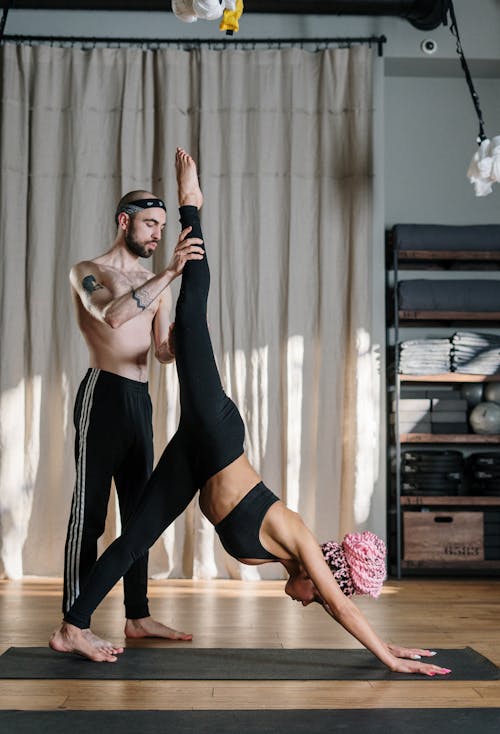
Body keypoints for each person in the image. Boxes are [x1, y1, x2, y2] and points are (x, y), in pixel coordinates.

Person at [51, 149, 451, 677]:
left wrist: (389, 645)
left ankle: (72, 626)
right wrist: (389, 657)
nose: (309, 602)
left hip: (194, 456)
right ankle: (194, 203)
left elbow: (337, 605)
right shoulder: (301, 538)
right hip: (214, 432)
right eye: (317, 594)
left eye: (165, 222)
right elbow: (343, 604)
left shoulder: (299, 562)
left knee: (134, 538)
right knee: (194, 306)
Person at [62, 182, 205, 653]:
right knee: (90, 515)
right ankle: (72, 625)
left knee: (140, 514)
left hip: (139, 402)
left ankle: (137, 616)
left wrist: (184, 337)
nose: (157, 235)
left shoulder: (155, 283)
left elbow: (160, 351)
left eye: (163, 228)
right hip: (101, 394)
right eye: (150, 224)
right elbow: (114, 317)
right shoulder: (89, 272)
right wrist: (170, 272)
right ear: (124, 221)